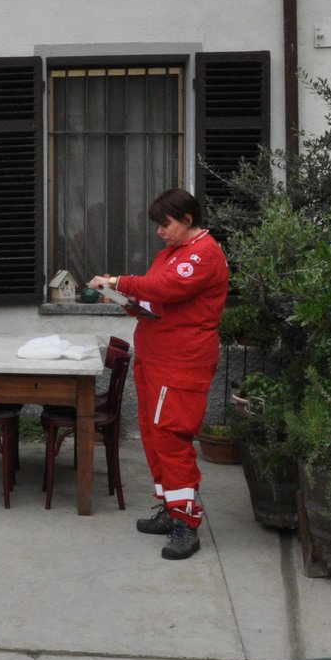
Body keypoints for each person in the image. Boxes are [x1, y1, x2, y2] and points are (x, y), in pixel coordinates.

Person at [90, 188, 228, 561]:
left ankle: (188, 524)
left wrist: (118, 282)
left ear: (186, 219)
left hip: (181, 362)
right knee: (154, 435)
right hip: (157, 358)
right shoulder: (172, 253)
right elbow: (157, 299)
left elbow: (165, 287)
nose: (159, 232)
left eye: (164, 224)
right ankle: (171, 509)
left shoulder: (203, 254)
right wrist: (130, 303)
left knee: (170, 437)